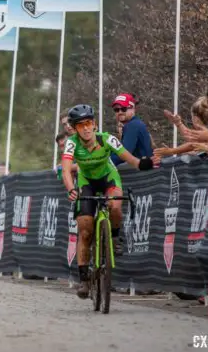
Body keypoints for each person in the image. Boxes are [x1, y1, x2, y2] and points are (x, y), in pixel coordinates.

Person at [60, 104, 156, 300]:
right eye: (80, 126)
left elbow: (129, 158)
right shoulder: (71, 143)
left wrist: (142, 164)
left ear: (94, 124)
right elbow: (66, 169)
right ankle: (84, 279)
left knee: (114, 205)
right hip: (86, 181)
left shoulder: (107, 138)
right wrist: (71, 189)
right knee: (85, 229)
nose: (86, 128)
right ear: (75, 129)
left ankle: (113, 236)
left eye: (88, 123)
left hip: (108, 177)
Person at [110, 94, 153, 165]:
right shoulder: (135, 123)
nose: (120, 112)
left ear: (133, 108)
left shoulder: (133, 125)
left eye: (124, 109)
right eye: (116, 110)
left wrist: (103, 162)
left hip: (142, 173)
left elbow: (124, 155)